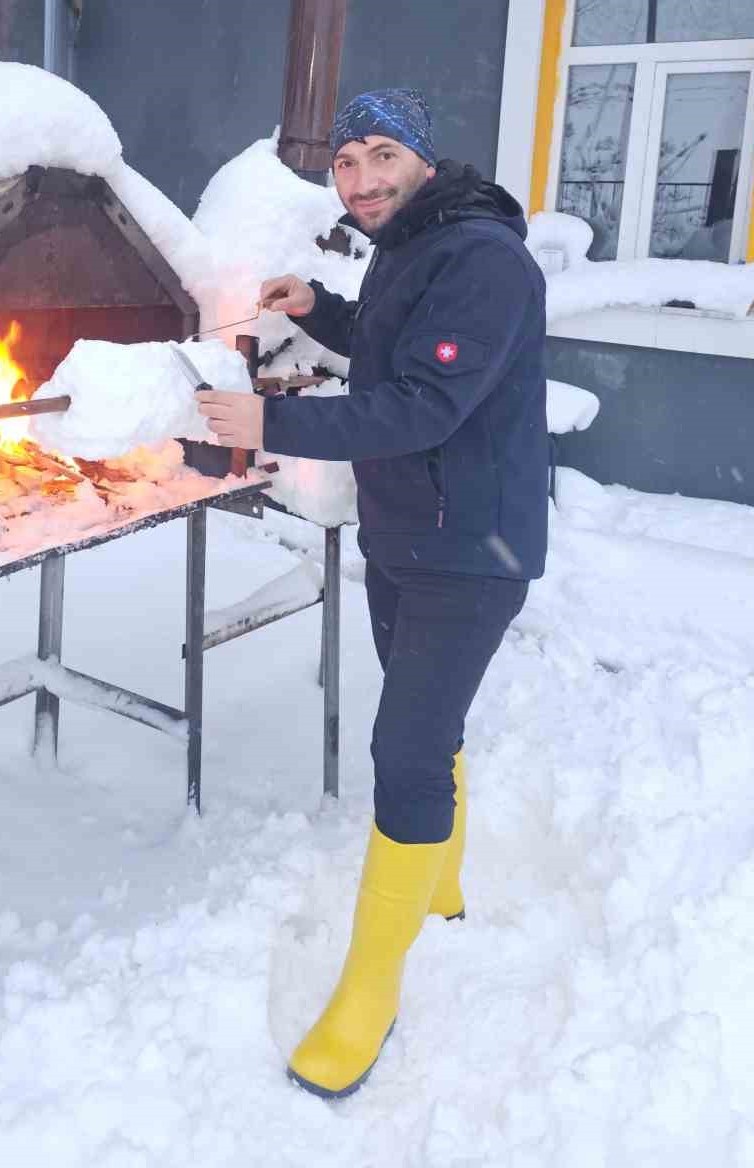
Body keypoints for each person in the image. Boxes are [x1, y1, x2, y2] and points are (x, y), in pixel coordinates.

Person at [196, 87, 548, 1100]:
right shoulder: (409, 247)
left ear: (424, 160)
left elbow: (426, 402)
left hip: (471, 550)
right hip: (411, 531)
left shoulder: (484, 259)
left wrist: (266, 426)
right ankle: (439, 888)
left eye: (381, 155)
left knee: (404, 749)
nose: (360, 180)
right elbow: (398, 348)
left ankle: (370, 990)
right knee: (426, 724)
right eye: (346, 164)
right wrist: (327, 310)